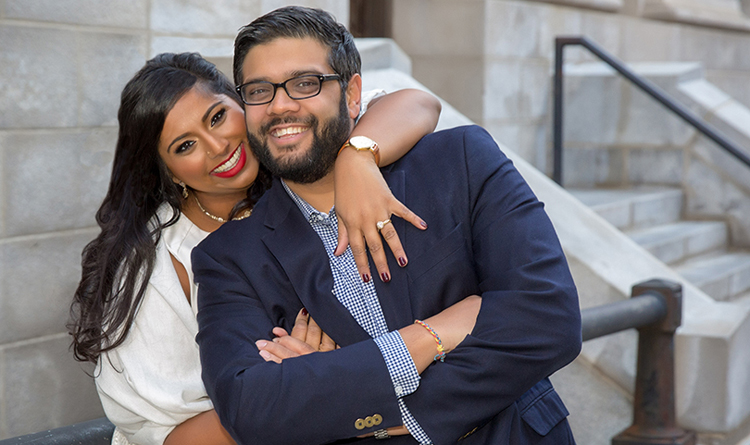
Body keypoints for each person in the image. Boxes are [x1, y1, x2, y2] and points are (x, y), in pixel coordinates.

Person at [192, 6, 582, 445]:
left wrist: (352, 391)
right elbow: (251, 407)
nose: (281, 105)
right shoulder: (228, 258)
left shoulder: (461, 162)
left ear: (353, 93)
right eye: (259, 91)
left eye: (305, 83)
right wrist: (432, 336)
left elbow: (549, 319)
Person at [68, 50, 442, 445]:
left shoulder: (294, 151)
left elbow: (418, 103)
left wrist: (357, 157)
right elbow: (171, 437)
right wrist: (317, 387)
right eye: (184, 146)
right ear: (167, 170)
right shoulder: (157, 265)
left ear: (242, 102)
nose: (216, 146)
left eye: (216, 117)